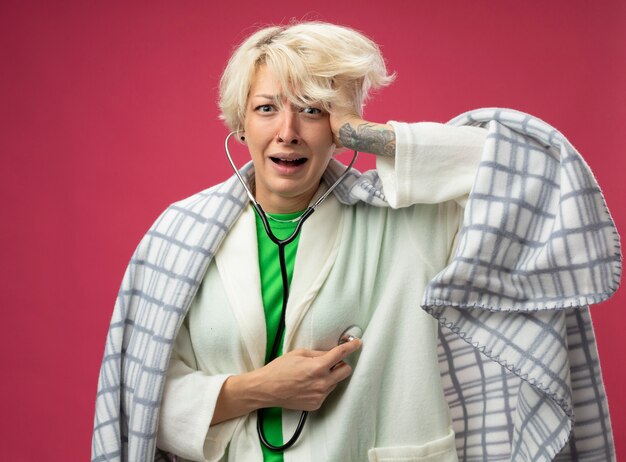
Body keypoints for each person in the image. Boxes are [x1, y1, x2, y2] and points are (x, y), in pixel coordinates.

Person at [92, 21, 619, 462]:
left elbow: (535, 172)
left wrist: (368, 135)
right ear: (240, 124)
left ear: (340, 125)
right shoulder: (179, 238)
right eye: (268, 108)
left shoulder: (410, 222)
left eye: (313, 110)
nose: (289, 131)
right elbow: (137, 408)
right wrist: (260, 389)